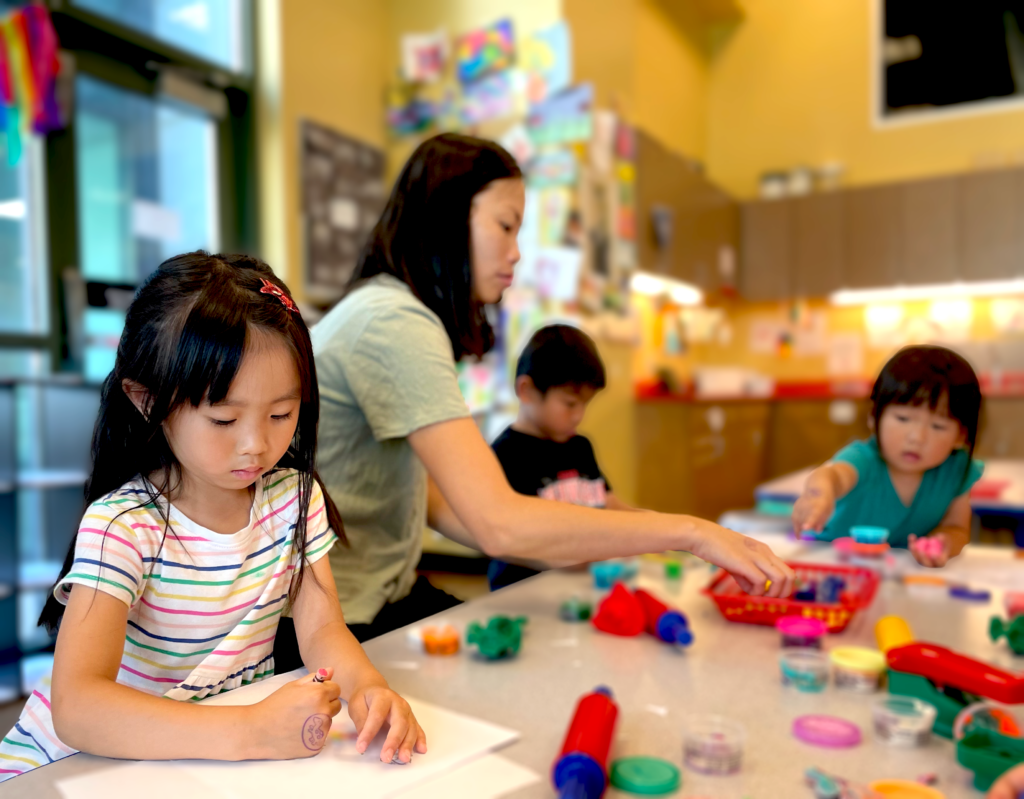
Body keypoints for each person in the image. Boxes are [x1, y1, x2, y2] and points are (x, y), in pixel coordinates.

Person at [274, 132, 794, 662]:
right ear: (449, 218)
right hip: (328, 625)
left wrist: (596, 542)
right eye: (505, 226)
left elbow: (440, 505)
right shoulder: (395, 321)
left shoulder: (386, 310)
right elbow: (498, 524)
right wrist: (693, 533)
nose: (516, 252)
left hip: (376, 598)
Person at [0, 253, 424, 782]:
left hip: (194, 762)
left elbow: (322, 628)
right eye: (223, 418)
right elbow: (78, 707)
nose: (256, 444)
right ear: (148, 401)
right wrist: (248, 731)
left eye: (281, 414)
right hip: (69, 767)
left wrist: (370, 690)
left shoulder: (294, 499)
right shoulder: (124, 527)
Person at [792, 345, 983, 567]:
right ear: (874, 417)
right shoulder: (864, 459)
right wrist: (818, 495)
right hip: (832, 565)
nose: (917, 438)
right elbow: (833, 475)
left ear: (960, 436)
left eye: (937, 426)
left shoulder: (956, 470)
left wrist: (943, 543)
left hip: (896, 575)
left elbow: (957, 528)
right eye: (903, 419)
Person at [487, 324, 641, 590]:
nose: (579, 415)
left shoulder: (580, 446)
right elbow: (508, 536)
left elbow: (609, 504)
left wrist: (658, 530)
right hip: (523, 596)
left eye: (585, 404)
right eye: (570, 404)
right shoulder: (506, 454)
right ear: (527, 390)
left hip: (580, 591)